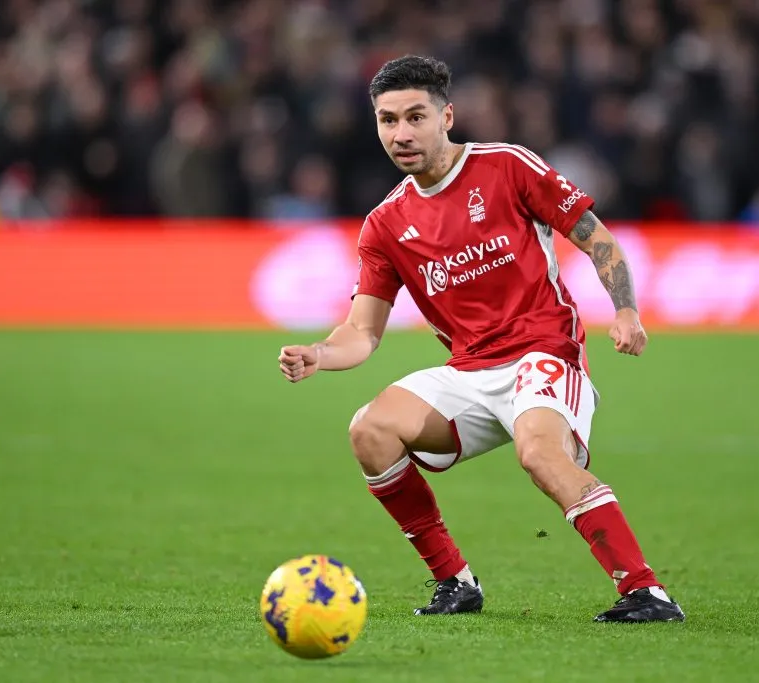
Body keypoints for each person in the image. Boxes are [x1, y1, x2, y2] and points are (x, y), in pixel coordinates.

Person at [278, 56, 685, 623]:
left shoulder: (506, 167)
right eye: (387, 120)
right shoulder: (386, 223)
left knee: (540, 454)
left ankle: (644, 590)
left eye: (415, 116)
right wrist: (320, 354)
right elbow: (362, 332)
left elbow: (596, 239)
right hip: (470, 371)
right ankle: (455, 582)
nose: (401, 133)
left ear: (447, 116)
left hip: (544, 354)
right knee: (369, 430)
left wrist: (626, 312)